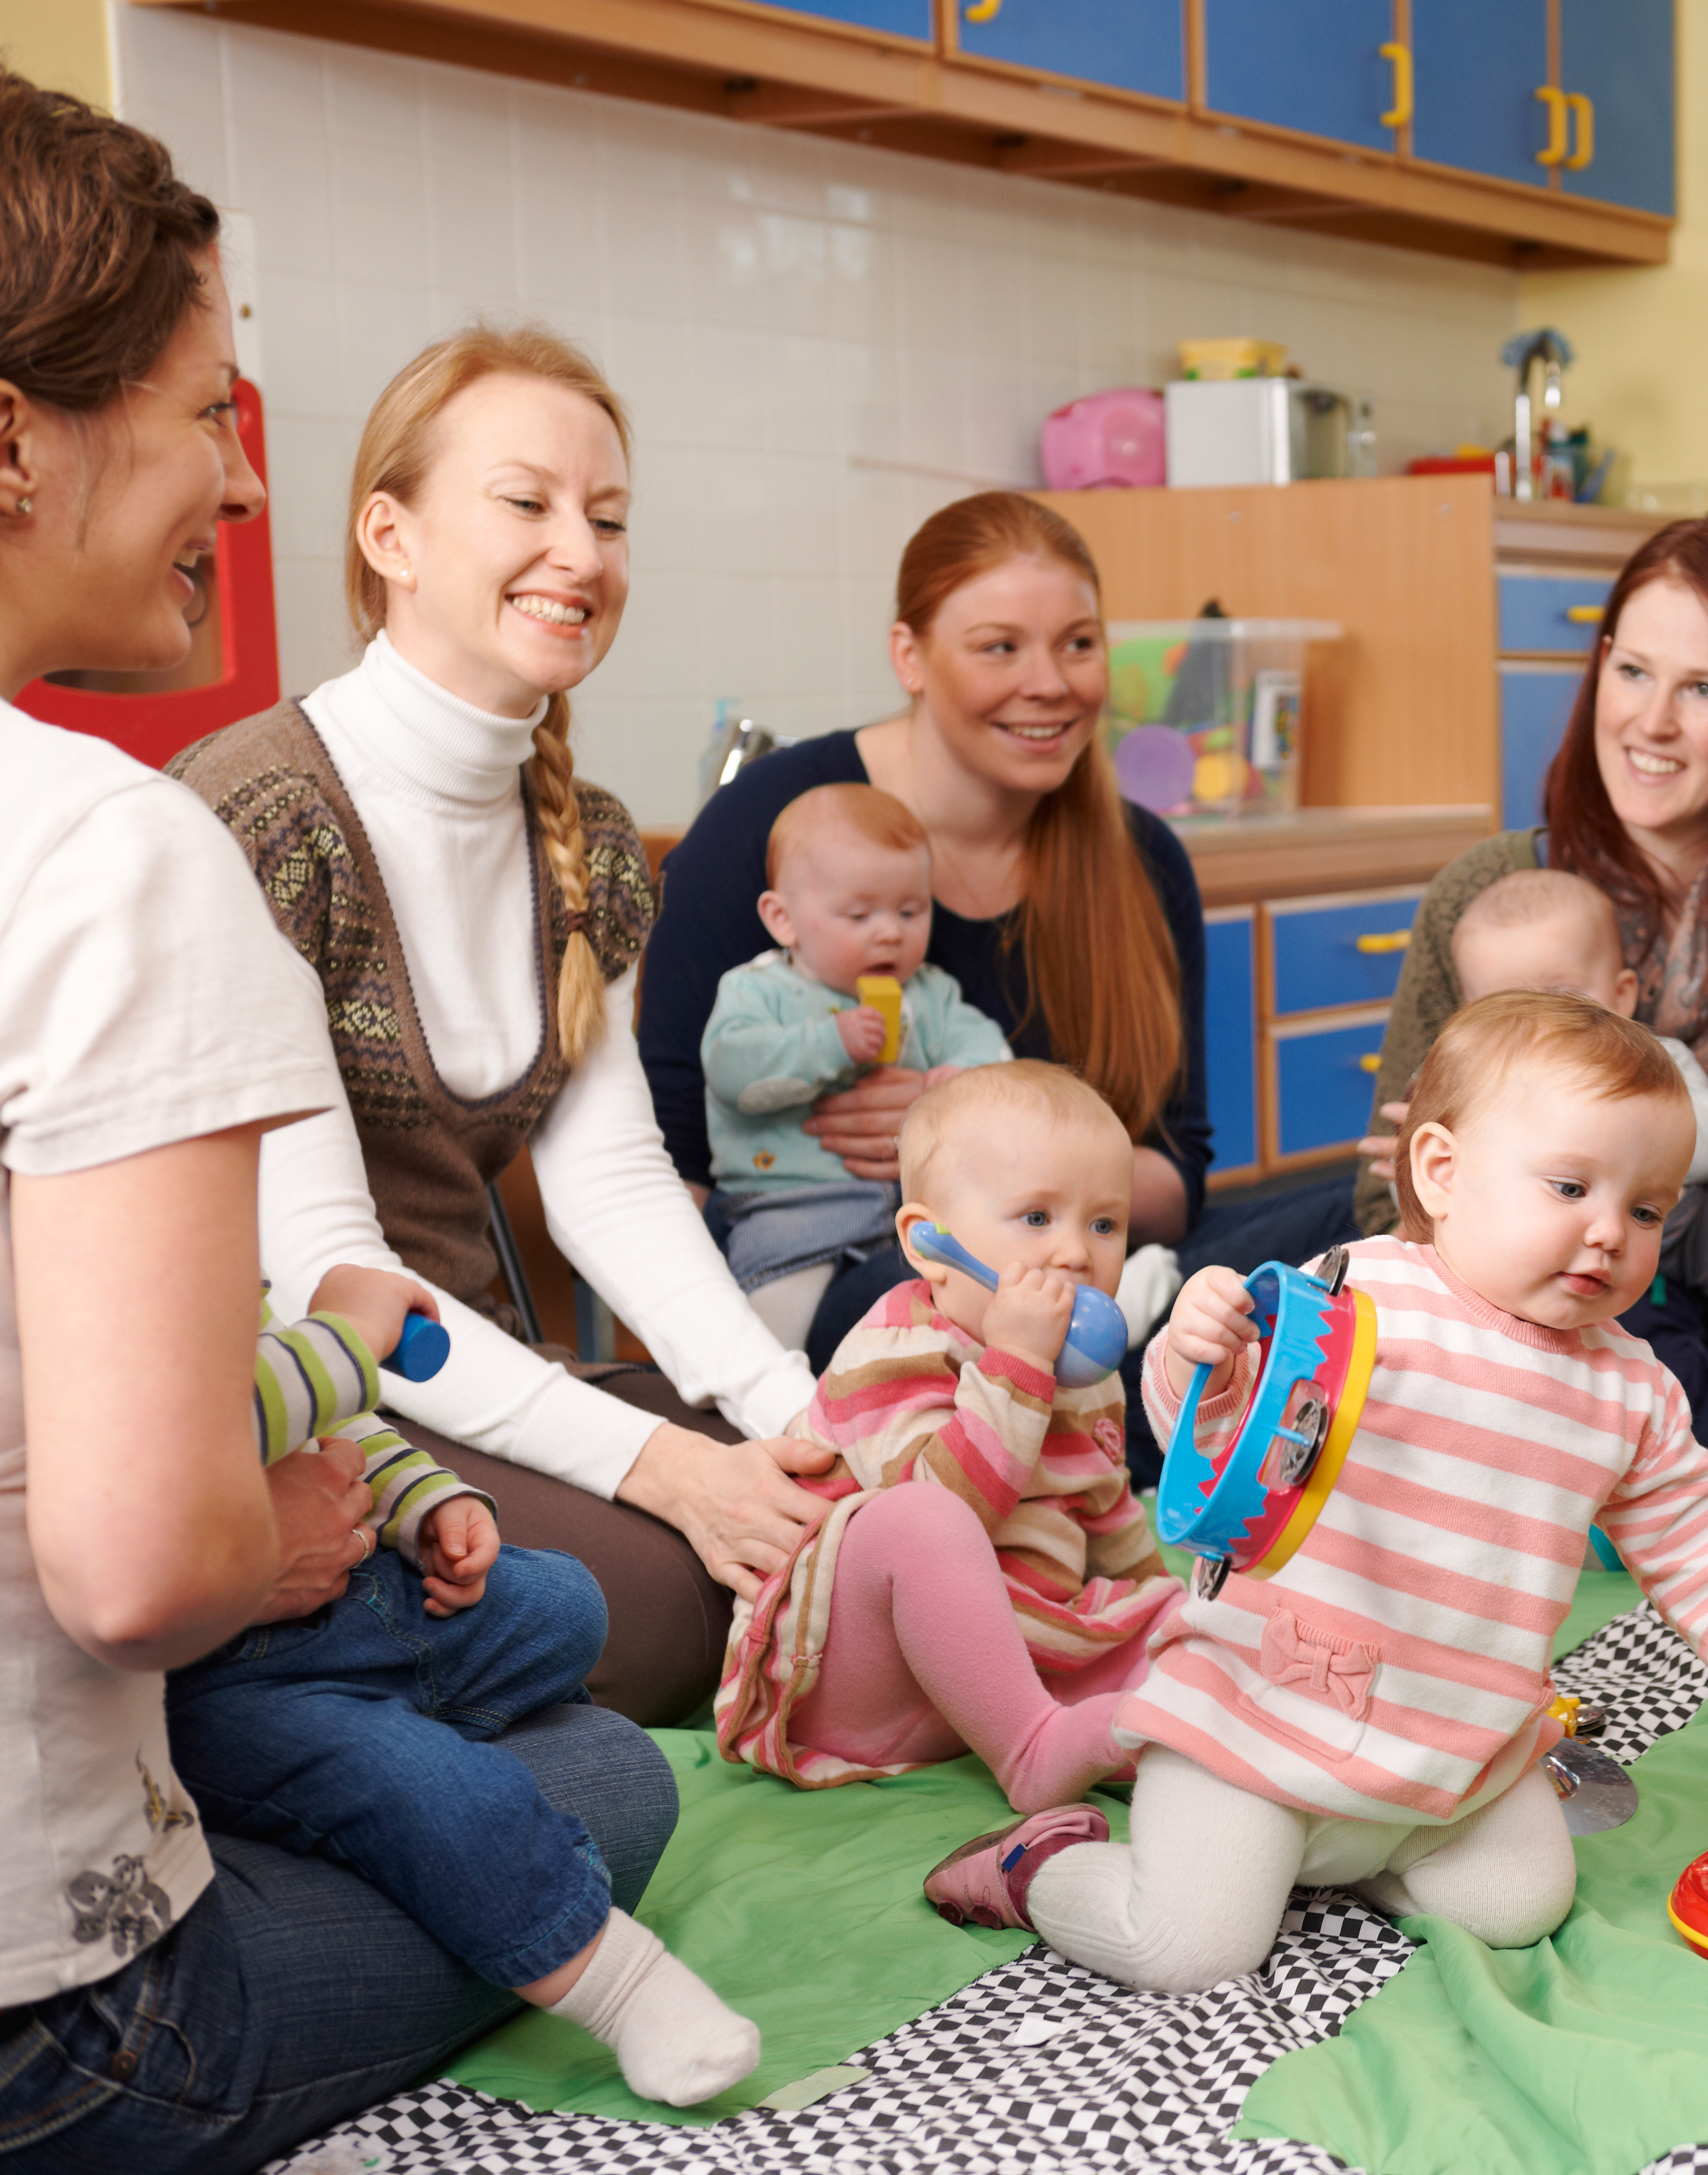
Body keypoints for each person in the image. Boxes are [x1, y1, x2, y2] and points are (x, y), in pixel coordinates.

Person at [0, 64, 672, 2171]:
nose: (240, 486)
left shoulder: (581, 828)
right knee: (598, 1779)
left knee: (524, 1636)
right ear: (4, 445)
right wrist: (298, 1530)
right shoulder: (129, 837)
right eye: (198, 415)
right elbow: (148, 1560)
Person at [924, 994, 1708, 1980]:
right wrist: (1199, 1357)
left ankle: (1338, 1859)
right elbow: (1211, 1453)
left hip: (1452, 1751)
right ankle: (1041, 1865)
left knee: (1520, 1905)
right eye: (1569, 1187)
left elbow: (1696, 1531)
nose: (1610, 1233)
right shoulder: (1360, 1297)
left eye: (1646, 1210)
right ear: (1442, 1171)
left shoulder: (1628, 1389)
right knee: (1189, 1950)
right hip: (1257, 1716)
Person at [169, 325, 835, 1727]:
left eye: (606, 518)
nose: (581, 555)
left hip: (480, 1362)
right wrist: (668, 1468)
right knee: (665, 1603)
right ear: (390, 535)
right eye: (527, 503)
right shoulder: (264, 815)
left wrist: (792, 1414)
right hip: (302, 1399)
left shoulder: (585, 838)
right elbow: (329, 1274)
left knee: (816, 1488)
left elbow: (610, 1184)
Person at [1354, 517, 1708, 1587]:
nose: (1650, 722)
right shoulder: (1494, 897)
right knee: (1267, 1300)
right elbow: (1389, 1194)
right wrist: (1555, 1221)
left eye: (1705, 691)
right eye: (1632, 669)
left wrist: (1638, 1211)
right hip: (1524, 1281)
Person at [641, 493, 1211, 1383]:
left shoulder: (1143, 860)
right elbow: (667, 1160)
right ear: (909, 656)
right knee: (1008, 1340)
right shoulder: (771, 824)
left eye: (1078, 642)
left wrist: (977, 1151)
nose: (1051, 682)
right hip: (829, 1268)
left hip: (1088, 1267)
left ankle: (1141, 1373)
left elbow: (1178, 1176)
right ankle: (1135, 1395)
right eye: (998, 646)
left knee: (1343, 1246)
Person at [170, 1274, 760, 2108]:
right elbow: (192, 1419)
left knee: (562, 1603)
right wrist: (348, 1331)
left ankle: (411, 1777)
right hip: (203, 1672)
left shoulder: (202, 1237)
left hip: (318, 1595)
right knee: (423, 1779)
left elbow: (330, 1415)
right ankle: (621, 1983)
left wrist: (422, 1497)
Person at [712, 1062, 1180, 1816]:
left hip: (1009, 1663)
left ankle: (1179, 1730)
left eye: (1103, 1224)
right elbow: (952, 1509)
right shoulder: (893, 1350)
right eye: (1035, 1217)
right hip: (858, 1675)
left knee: (1186, 1626)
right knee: (917, 1519)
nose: (1074, 1253)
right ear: (929, 1244)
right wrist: (1017, 1364)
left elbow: (1107, 1510)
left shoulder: (1088, 1374)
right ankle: (1030, 1750)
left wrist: (1162, 1611)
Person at [701, 781, 1014, 1341]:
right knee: (773, 1328)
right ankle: (776, 1405)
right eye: (859, 913)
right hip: (788, 1207)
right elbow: (731, 1071)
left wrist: (962, 1081)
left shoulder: (930, 993)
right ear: (783, 919)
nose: (890, 930)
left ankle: (1047, 1332)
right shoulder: (757, 990)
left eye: (910, 909)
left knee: (966, 1293)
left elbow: (990, 1049)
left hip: (912, 1211)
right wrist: (829, 1041)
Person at [1450, 865, 1708, 1398]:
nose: (1542, 1024)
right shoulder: (1475, 1073)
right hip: (1490, 1280)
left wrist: (1634, 1124)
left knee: (1669, 1371)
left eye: (1563, 996)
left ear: (1622, 993)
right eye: (1506, 1007)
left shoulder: (1656, 1066)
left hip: (1634, 1290)